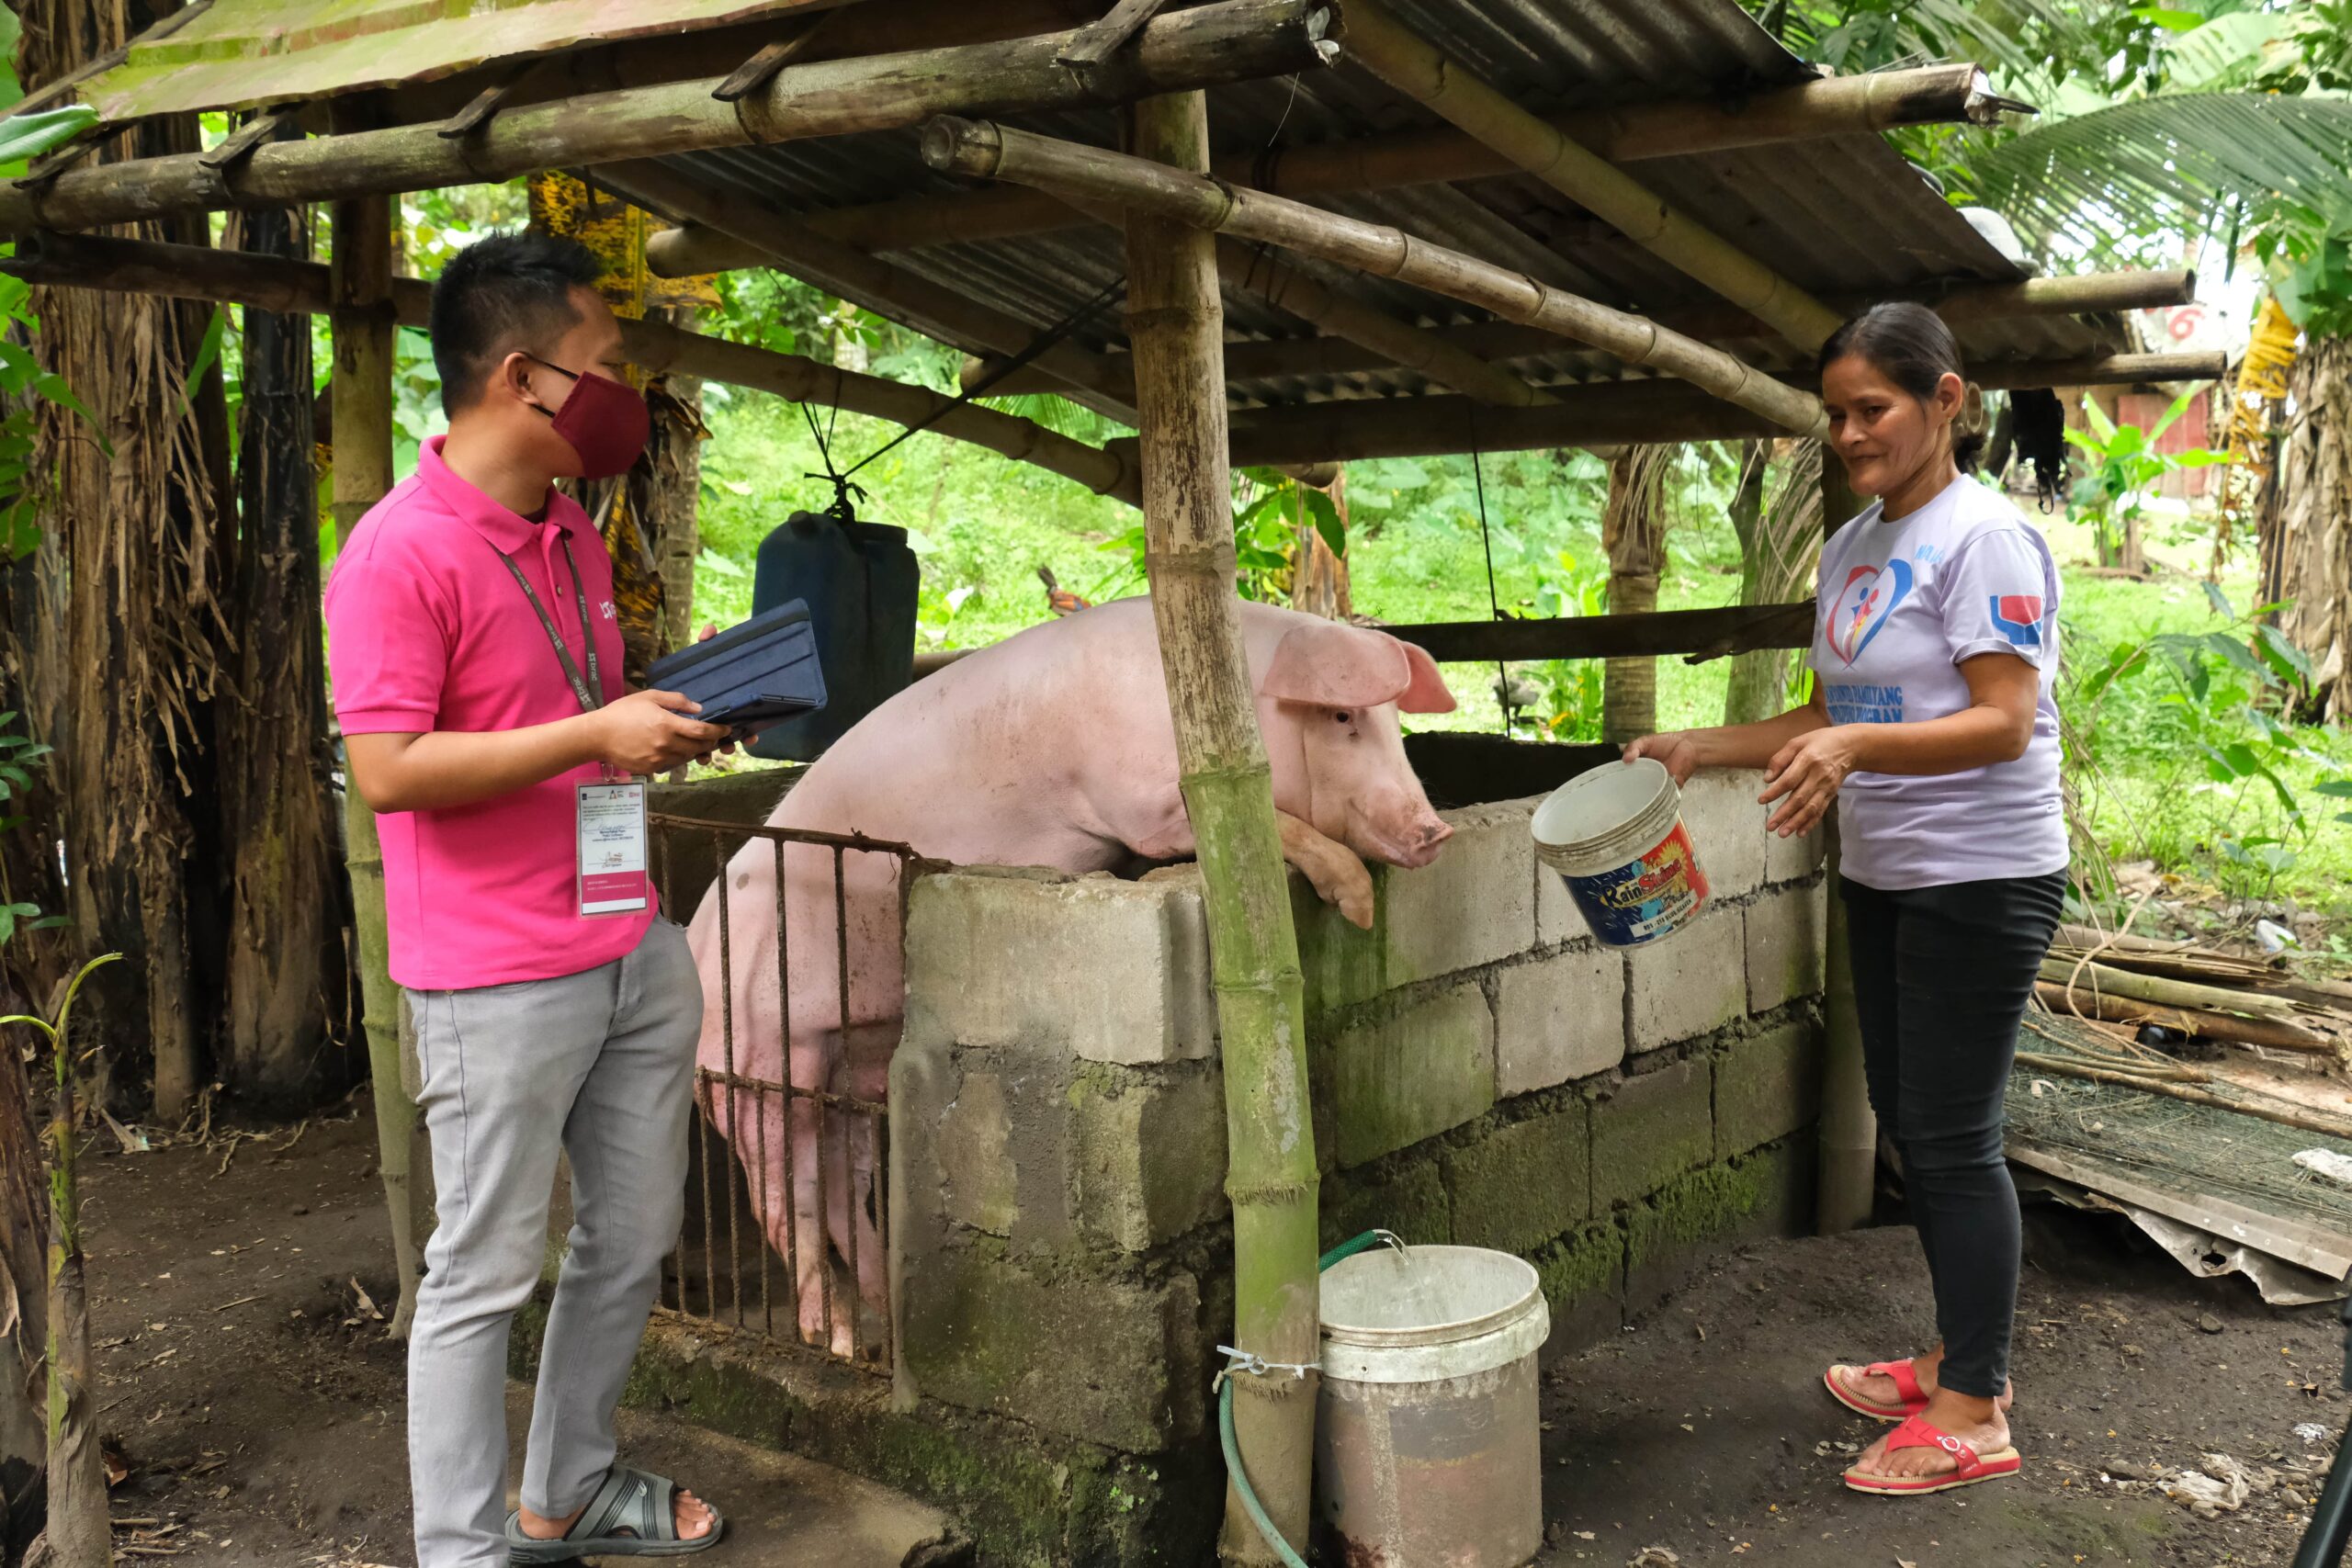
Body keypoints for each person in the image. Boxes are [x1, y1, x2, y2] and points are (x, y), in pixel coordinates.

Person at [324, 232, 733, 1566]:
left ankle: (565, 1486)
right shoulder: (398, 553)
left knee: (631, 1240)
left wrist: (657, 722)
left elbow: (567, 708)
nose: (624, 390)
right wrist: (590, 739)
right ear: (524, 378)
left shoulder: (570, 531)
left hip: (626, 940)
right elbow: (387, 770)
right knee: (482, 1274)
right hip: (496, 977)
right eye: (604, 363)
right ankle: (461, 1547)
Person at [1625, 301, 2066, 1498]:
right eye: (1836, 414)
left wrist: (1857, 760)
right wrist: (1701, 745)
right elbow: (1841, 715)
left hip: (1986, 873)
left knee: (1955, 1137)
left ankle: (1975, 1409)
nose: (1852, 434)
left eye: (1873, 408)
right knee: (1915, 1123)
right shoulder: (1859, 546)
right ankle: (1954, 1357)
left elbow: (2001, 720)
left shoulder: (1986, 541)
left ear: (1947, 402)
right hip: (1888, 872)